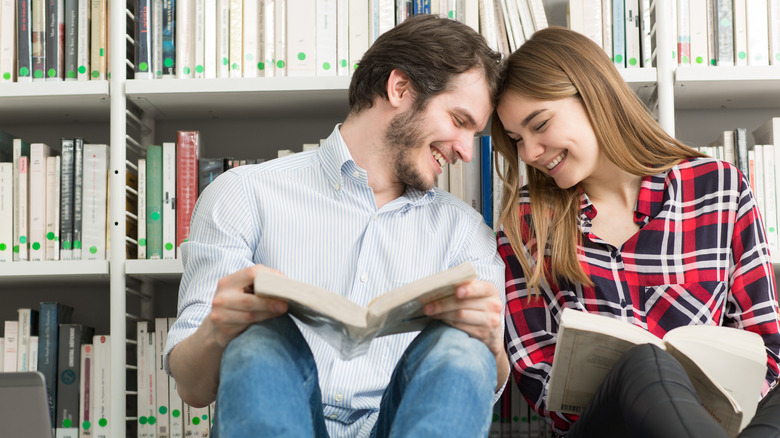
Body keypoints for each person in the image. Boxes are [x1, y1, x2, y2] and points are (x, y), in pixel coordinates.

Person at [164, 14, 509, 438]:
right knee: (256, 339)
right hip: (283, 416)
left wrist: (491, 343)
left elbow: (479, 386)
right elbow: (191, 388)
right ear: (399, 89)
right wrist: (219, 329)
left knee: (464, 347)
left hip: (399, 424)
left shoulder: (465, 232)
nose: (466, 152)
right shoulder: (243, 194)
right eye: (459, 121)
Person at [492, 26, 780, 437]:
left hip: (722, 423)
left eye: (540, 125)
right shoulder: (524, 221)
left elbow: (767, 345)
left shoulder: (719, 188)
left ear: (593, 95)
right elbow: (538, 378)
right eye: (517, 139)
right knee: (647, 363)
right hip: (603, 428)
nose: (530, 153)